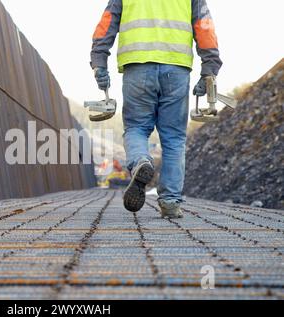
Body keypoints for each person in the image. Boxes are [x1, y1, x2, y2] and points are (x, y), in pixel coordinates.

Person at [90, 0, 222, 218]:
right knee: (174, 138)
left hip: (138, 66)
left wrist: (99, 63)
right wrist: (209, 70)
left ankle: (141, 160)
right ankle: (170, 202)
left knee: (136, 128)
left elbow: (106, 25)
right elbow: (205, 27)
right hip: (177, 68)